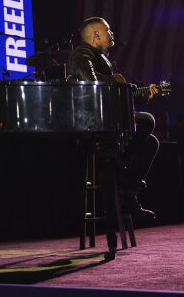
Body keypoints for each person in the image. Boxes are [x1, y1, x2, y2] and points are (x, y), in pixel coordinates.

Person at [67, 17, 160, 218]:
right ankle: (120, 170)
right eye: (107, 31)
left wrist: (138, 95)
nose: (111, 35)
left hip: (108, 121)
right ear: (96, 35)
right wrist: (116, 86)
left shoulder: (103, 59)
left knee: (151, 142)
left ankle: (129, 193)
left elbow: (117, 97)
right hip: (93, 125)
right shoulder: (82, 53)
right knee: (147, 121)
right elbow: (89, 83)